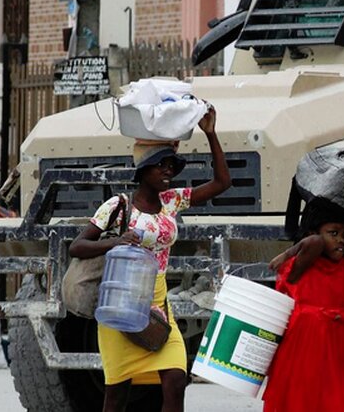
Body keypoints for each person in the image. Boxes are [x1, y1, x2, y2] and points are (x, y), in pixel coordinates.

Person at [69, 107, 230, 412]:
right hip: (121, 306)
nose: (168, 172)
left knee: (175, 381)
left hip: (158, 307)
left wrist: (210, 133)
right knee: (116, 395)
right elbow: (77, 246)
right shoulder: (118, 205)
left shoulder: (172, 202)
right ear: (144, 169)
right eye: (161, 166)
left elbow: (222, 183)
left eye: (171, 166)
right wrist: (117, 241)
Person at [263, 201, 344, 412]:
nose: (342, 240)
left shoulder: (343, 264)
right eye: (334, 233)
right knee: (301, 400)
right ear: (312, 232)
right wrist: (288, 253)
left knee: (331, 401)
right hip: (303, 348)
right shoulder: (298, 265)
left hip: (334, 346)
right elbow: (313, 243)